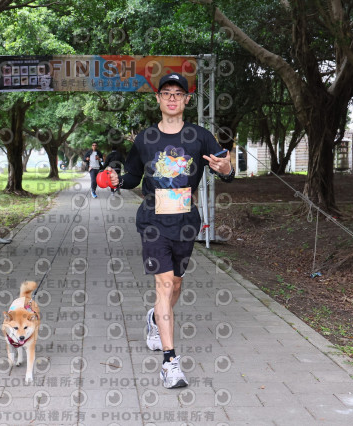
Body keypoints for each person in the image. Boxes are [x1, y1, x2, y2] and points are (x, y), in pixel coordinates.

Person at [108, 72, 234, 389]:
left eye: (178, 93)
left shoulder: (199, 136)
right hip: (152, 221)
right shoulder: (145, 139)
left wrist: (227, 167)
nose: (172, 98)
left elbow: (225, 168)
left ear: (187, 100)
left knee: (176, 285)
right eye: (167, 93)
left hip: (185, 221)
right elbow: (132, 177)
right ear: (158, 99)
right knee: (164, 284)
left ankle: (154, 319)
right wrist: (118, 181)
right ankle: (170, 363)